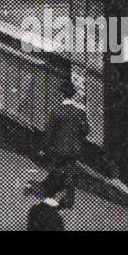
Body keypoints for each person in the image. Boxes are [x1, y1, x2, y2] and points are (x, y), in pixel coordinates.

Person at [43, 79, 88, 209]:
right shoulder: (80, 112)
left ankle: (51, 198)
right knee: (70, 173)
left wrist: (44, 147)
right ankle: (69, 200)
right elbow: (85, 130)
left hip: (59, 149)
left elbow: (49, 132)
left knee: (56, 170)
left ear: (62, 94)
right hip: (74, 149)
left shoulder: (56, 111)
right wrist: (76, 139)